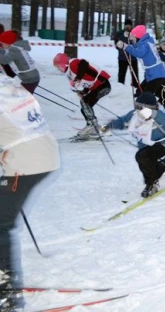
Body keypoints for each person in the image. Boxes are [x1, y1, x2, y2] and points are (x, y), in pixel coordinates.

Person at [0, 76, 60, 310]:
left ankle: (7, 295)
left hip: (25, 162)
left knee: (1, 224)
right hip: (39, 155)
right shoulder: (7, 83)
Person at [101, 92, 165, 197]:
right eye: (139, 108)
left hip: (162, 144)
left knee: (142, 157)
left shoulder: (158, 116)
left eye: (145, 109)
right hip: (145, 146)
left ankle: (152, 184)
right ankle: (164, 165)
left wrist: (154, 115)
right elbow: (122, 122)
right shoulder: (134, 115)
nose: (141, 112)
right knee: (148, 163)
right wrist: (109, 126)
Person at [52, 53, 112, 141]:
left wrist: (78, 78)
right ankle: (93, 126)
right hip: (98, 86)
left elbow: (84, 64)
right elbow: (88, 81)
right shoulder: (69, 73)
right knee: (84, 107)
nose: (58, 69)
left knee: (85, 102)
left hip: (103, 85)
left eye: (58, 66)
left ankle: (92, 125)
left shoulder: (72, 63)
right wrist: (84, 92)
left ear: (63, 64)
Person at [116, 25, 165, 96]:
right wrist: (130, 37)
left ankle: (144, 104)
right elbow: (138, 46)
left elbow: (139, 53)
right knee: (140, 90)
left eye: (133, 37)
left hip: (156, 74)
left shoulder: (145, 44)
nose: (132, 39)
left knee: (146, 94)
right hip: (153, 74)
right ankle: (140, 100)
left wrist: (126, 47)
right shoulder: (146, 41)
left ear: (138, 37)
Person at [114, 19, 139, 86]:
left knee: (135, 75)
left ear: (131, 26)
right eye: (126, 25)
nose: (128, 26)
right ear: (124, 25)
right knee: (121, 74)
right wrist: (119, 46)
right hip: (122, 58)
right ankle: (120, 87)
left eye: (129, 25)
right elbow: (116, 44)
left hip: (133, 57)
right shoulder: (120, 33)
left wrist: (133, 41)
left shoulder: (134, 33)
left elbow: (137, 45)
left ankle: (136, 87)